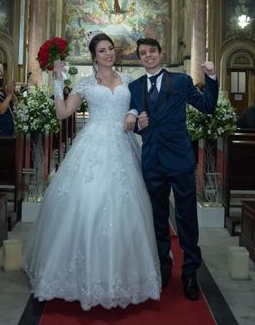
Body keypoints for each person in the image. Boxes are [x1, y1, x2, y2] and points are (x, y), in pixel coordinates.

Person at [24, 33, 161, 310]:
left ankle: (120, 277)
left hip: (122, 146)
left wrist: (135, 115)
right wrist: (58, 81)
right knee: (88, 203)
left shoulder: (129, 81)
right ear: (94, 56)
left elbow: (137, 108)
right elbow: (62, 113)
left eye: (111, 48)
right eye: (102, 50)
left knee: (125, 206)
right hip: (92, 145)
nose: (108, 53)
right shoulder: (85, 83)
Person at [125, 37, 218, 301]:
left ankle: (190, 271)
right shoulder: (134, 87)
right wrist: (136, 121)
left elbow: (207, 107)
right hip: (152, 159)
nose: (148, 56)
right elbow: (129, 121)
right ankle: (163, 267)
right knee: (157, 218)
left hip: (179, 159)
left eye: (152, 51)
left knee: (186, 218)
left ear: (161, 53)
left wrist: (211, 76)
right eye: (143, 53)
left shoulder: (181, 81)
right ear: (140, 58)